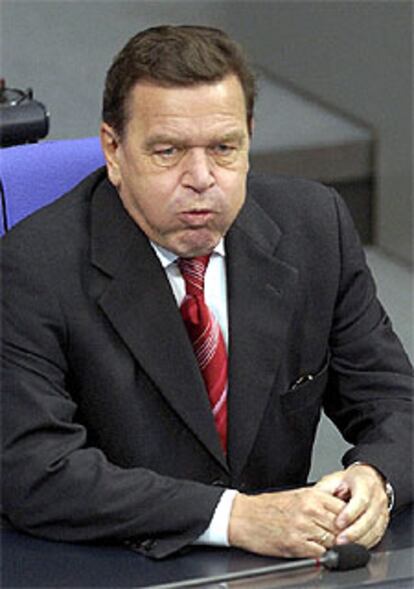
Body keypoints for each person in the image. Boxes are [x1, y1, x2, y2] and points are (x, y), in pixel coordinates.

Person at [1, 25, 413, 561]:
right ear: (114, 150)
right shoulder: (32, 269)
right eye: (168, 151)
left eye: (224, 148)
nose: (202, 179)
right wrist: (233, 516)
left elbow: (395, 402)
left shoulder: (315, 229)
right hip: (117, 560)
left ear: (250, 138)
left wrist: (375, 479)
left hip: (280, 564)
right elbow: (36, 469)